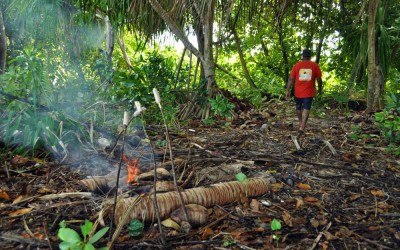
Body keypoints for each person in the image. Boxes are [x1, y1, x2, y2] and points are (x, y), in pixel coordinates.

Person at [285, 49, 322, 133]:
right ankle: (303, 125)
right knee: (306, 108)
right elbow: (319, 79)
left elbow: (291, 79)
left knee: (298, 108)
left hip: (298, 92)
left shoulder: (297, 65)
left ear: (303, 56)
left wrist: (287, 90)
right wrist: (320, 89)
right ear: (310, 56)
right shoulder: (315, 66)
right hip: (309, 92)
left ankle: (301, 123)